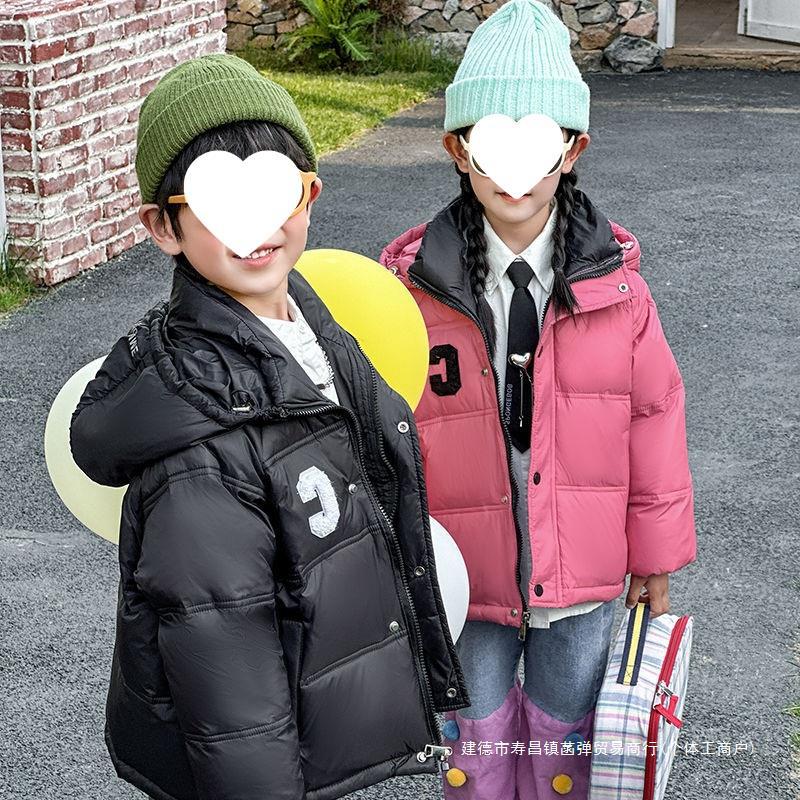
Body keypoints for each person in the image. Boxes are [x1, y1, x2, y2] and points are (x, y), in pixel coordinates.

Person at [69, 52, 470, 800]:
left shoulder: (314, 330)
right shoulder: (201, 448)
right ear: (163, 226)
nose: (257, 223)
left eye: (276, 189)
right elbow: (231, 687)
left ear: (310, 193)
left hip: (315, 726)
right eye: (220, 199)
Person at [377, 2, 697, 798]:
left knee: (566, 750)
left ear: (571, 148)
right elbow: (382, 436)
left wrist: (654, 556)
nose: (514, 171)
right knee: (473, 750)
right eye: (493, 143)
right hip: (464, 575)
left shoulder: (621, 295)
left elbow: (654, 418)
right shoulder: (406, 296)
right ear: (459, 150)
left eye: (537, 142)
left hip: (582, 576)